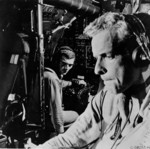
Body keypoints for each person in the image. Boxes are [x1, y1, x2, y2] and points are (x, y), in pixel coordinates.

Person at [26, 12, 150, 149]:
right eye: (97, 59)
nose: (97, 69)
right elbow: (69, 140)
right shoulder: (106, 97)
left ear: (141, 56)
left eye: (108, 56)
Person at [44, 46, 82, 135]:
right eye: (63, 64)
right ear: (57, 61)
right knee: (76, 115)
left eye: (70, 65)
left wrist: (72, 83)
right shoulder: (53, 79)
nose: (66, 68)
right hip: (49, 119)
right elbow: (56, 110)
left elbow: (58, 83)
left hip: (38, 115)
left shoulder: (47, 73)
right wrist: (60, 134)